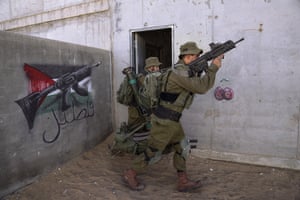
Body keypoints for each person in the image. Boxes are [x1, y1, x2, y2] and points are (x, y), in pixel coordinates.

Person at [123, 41, 224, 192]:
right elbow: (201, 87)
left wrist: (205, 67)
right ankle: (130, 174)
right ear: (188, 57)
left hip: (173, 120)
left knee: (182, 147)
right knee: (152, 151)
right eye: (196, 56)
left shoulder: (185, 70)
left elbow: (195, 81)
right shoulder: (178, 73)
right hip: (165, 120)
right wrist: (214, 67)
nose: (198, 58)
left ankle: (182, 181)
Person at [111, 57, 162, 155]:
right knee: (134, 130)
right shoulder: (143, 78)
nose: (158, 68)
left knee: (142, 131)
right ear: (150, 68)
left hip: (144, 109)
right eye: (156, 67)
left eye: (158, 66)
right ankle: (121, 148)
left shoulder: (148, 77)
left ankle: (140, 149)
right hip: (136, 109)